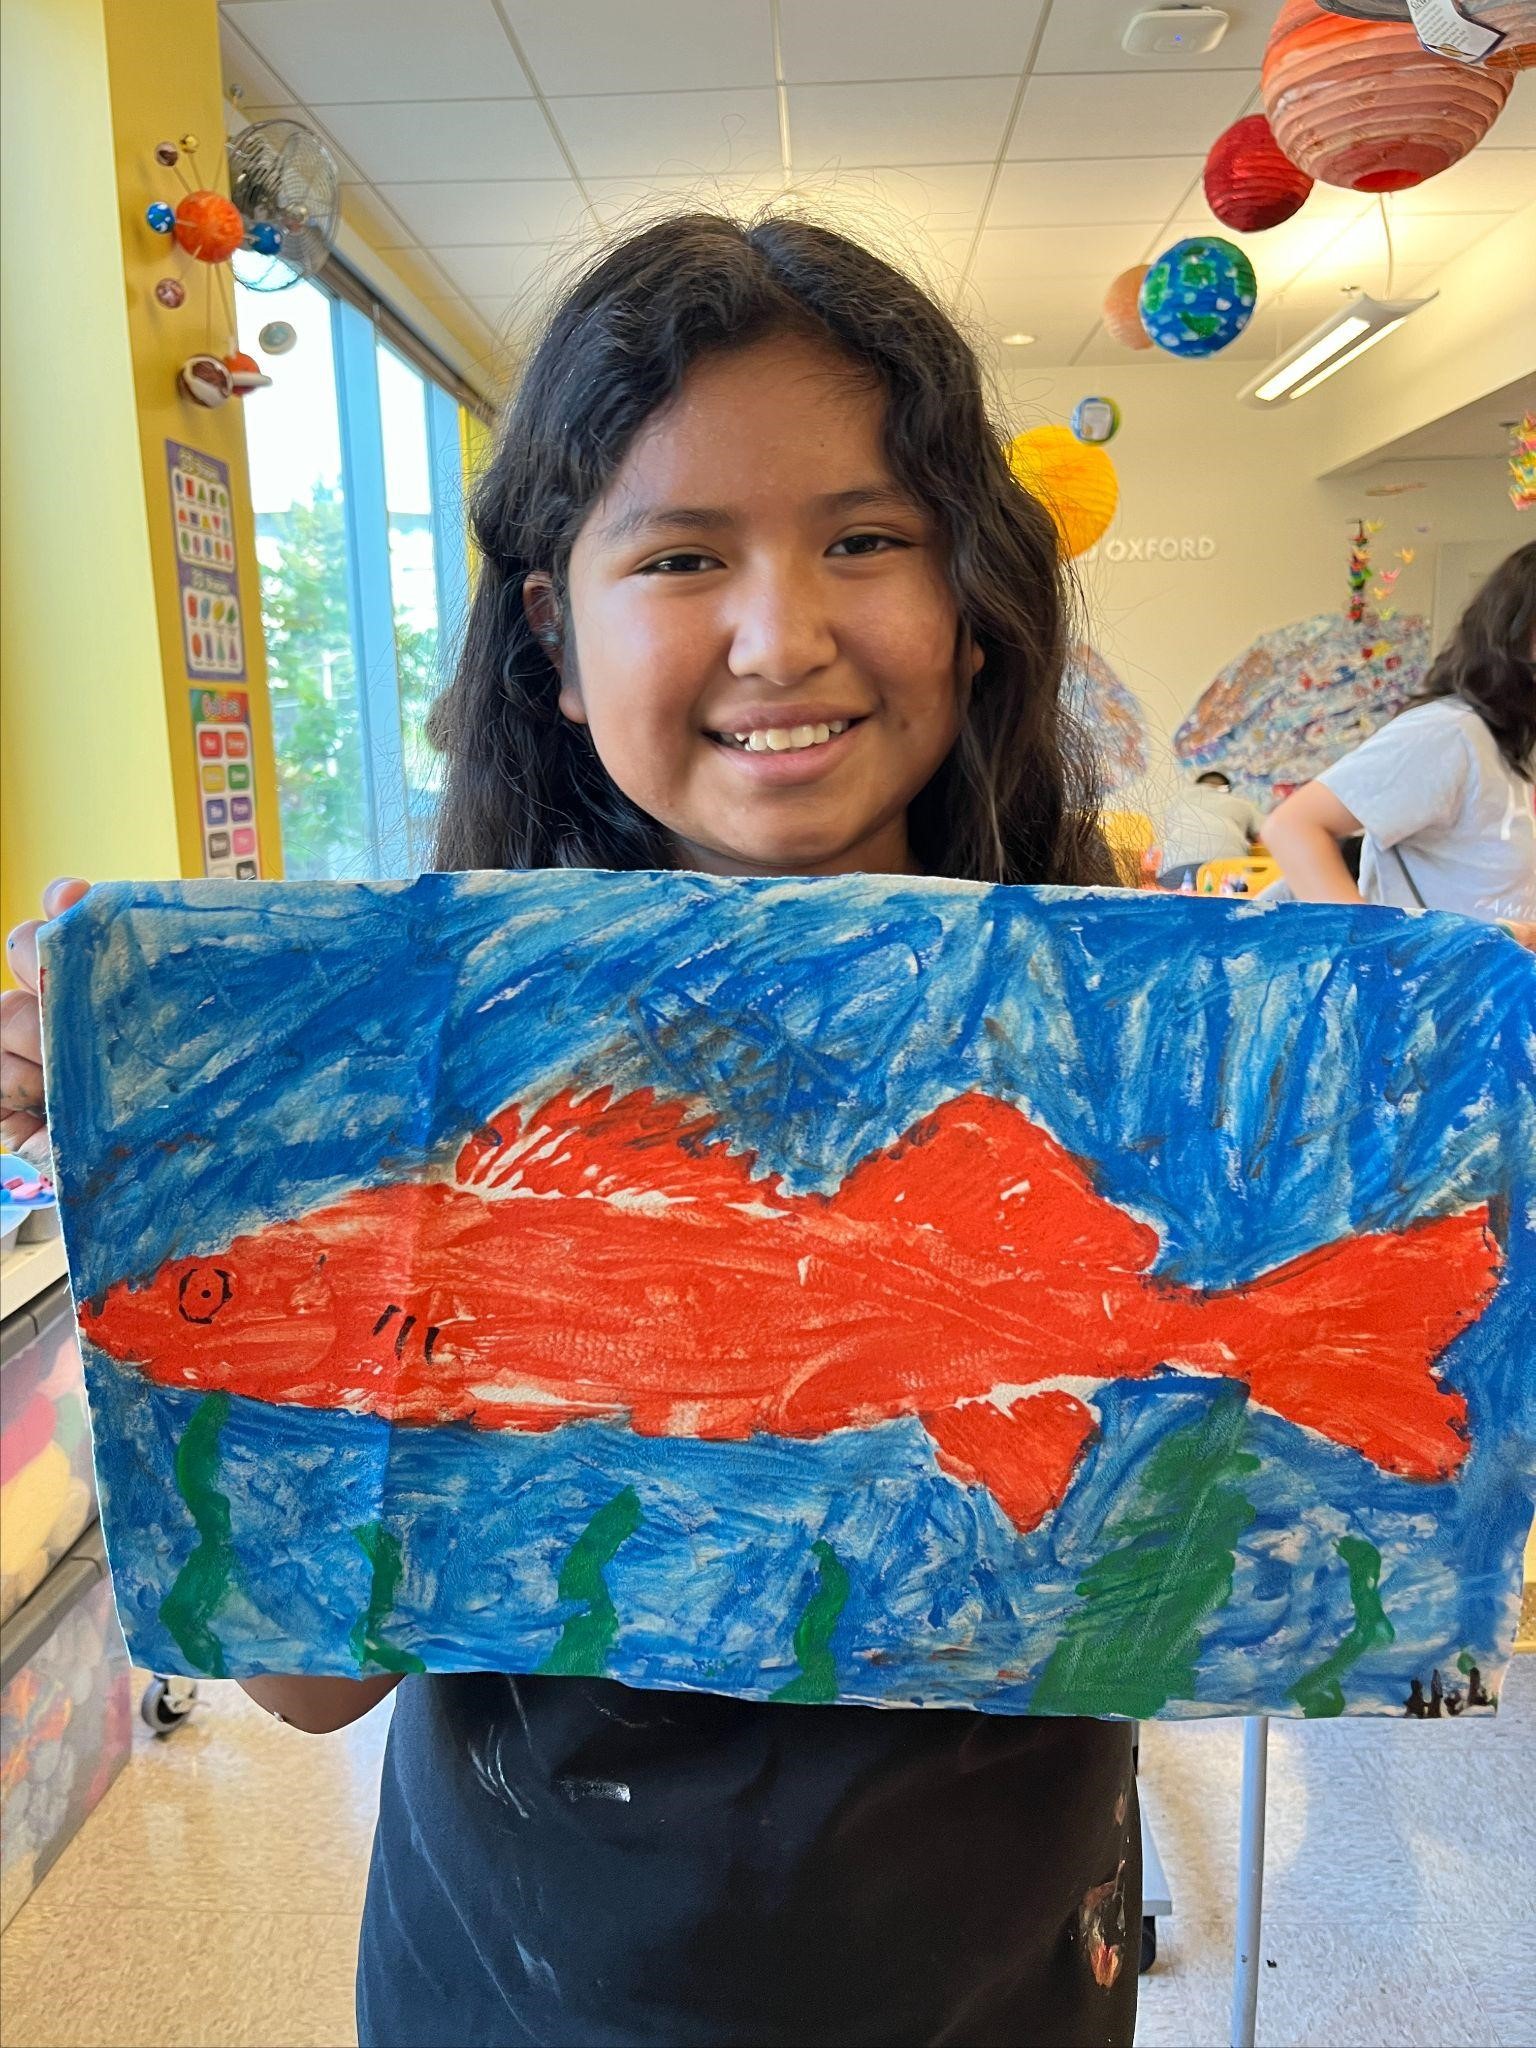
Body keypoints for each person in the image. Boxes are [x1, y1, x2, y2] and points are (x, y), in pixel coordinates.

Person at [3, 214, 1140, 2048]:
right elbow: (302, 1686)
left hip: (994, 1967)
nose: (783, 633)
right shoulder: (417, 1067)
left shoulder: (1126, 1018)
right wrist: (152, 1160)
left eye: (865, 537)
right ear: (550, 627)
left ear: (972, 596)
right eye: (682, 553)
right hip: (538, 1982)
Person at [1265, 543, 1536, 936]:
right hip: (1435, 993)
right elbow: (1293, 827)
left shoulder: (1520, 745)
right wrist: (1371, 952)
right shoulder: (1452, 732)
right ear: (1517, 630)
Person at [1155, 768, 1264, 891]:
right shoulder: (1241, 804)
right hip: (1229, 869)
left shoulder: (1176, 800)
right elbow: (1266, 838)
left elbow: (1168, 832)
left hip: (1177, 869)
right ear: (1226, 789)